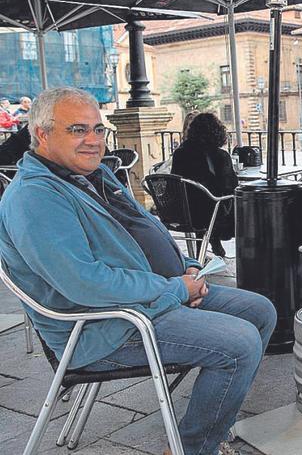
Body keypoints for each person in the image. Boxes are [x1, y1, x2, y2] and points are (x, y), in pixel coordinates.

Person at [0, 87, 276, 455]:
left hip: (149, 297)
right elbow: (84, 283)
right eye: (77, 130)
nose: (93, 140)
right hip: (103, 325)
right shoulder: (35, 197)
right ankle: (194, 447)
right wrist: (177, 290)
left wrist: (186, 267)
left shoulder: (94, 174)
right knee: (239, 344)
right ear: (42, 134)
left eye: (99, 130)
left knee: (260, 312)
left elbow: (144, 226)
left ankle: (211, 420)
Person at [171, 113, 237, 258]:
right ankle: (244, 251)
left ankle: (210, 242)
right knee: (243, 205)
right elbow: (230, 187)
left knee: (208, 201)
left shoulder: (180, 154)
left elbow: (174, 181)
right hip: (210, 214)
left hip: (182, 213)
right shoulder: (220, 156)